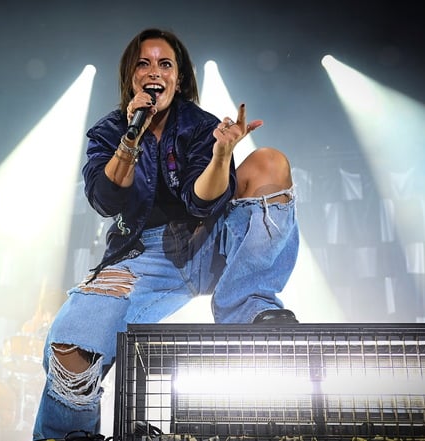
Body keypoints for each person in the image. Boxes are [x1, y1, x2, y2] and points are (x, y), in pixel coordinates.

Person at [32, 28, 299, 439]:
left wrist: (222, 155)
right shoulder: (108, 132)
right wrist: (132, 135)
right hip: (144, 256)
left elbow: (202, 200)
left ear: (179, 77)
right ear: (131, 78)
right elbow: (105, 199)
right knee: (70, 349)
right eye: (144, 63)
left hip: (210, 239)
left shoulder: (200, 125)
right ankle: (71, 434)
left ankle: (249, 304)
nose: (154, 70)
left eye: (165, 63)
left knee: (268, 162)